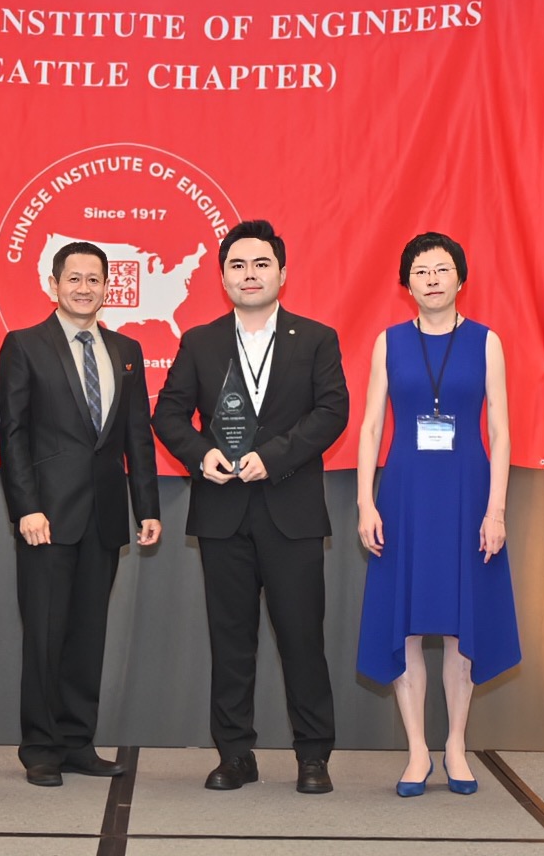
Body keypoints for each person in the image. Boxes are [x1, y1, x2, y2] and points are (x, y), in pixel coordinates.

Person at [153, 219, 348, 795]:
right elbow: (168, 414)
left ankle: (313, 756)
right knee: (230, 641)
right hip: (223, 513)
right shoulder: (200, 341)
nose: (250, 274)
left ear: (282, 273)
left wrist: (274, 456)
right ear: (222, 278)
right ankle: (235, 755)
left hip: (291, 512)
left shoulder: (316, 338)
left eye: (261, 264)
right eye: (238, 266)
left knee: (302, 640)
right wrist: (201, 454)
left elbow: (332, 411)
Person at [355, 231, 520, 798]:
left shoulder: (486, 341)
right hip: (404, 495)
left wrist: (496, 509)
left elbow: (500, 430)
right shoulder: (389, 342)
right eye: (420, 271)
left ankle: (454, 745)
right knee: (404, 627)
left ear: (460, 278)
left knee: (457, 628)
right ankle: (417, 751)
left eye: (441, 269)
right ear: (406, 284)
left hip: (468, 494)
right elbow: (370, 427)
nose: (431, 279)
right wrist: (365, 501)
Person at [0, 241, 162, 788]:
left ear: (107, 287)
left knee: (88, 636)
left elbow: (136, 435)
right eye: (74, 278)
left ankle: (77, 743)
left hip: (104, 517)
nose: (84, 288)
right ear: (54, 284)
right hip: (46, 518)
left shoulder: (126, 349)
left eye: (94, 279)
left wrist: (147, 507)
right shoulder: (24, 345)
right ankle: (40, 748)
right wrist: (26, 508)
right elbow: (12, 435)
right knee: (46, 635)